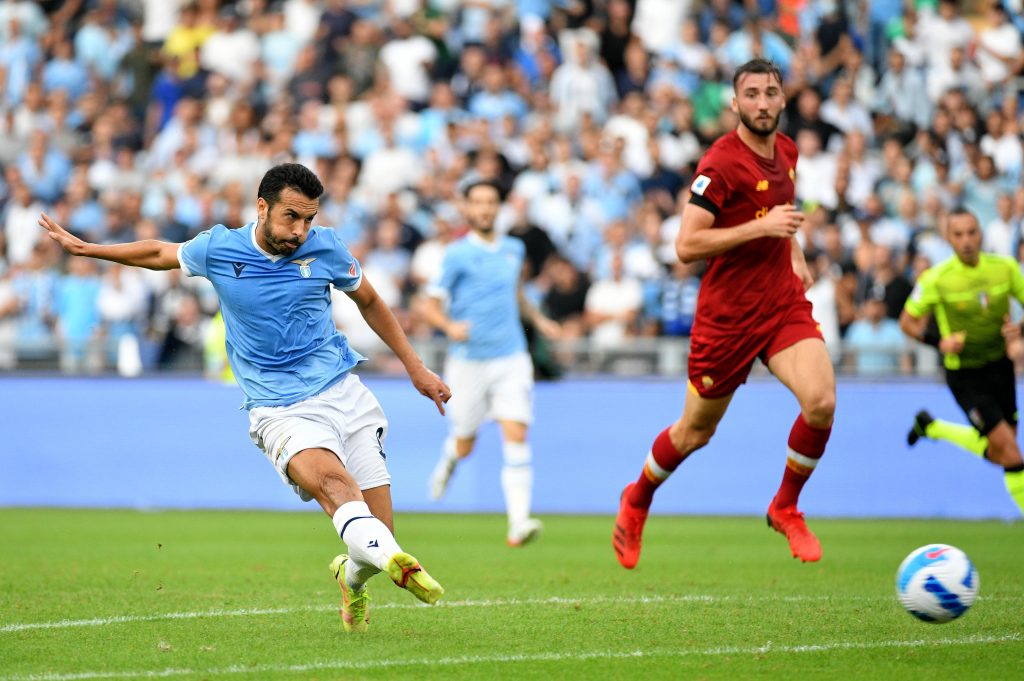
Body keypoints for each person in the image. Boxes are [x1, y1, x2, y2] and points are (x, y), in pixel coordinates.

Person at [38, 163, 451, 634]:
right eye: (291, 217)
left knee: (377, 538)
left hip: (344, 392)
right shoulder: (220, 248)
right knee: (335, 486)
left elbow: (371, 301)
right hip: (280, 408)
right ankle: (399, 565)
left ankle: (352, 577)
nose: (300, 231)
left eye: (309, 219)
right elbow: (158, 251)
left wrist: (416, 368)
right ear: (262, 207)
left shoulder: (327, 248)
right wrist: (88, 249)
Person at [613, 58, 836, 569]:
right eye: (751, 94)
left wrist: (794, 252)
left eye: (771, 93)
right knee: (695, 432)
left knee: (821, 402)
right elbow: (686, 245)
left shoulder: (787, 150)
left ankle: (785, 506)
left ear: (783, 99)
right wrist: (762, 228)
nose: (762, 103)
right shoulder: (720, 164)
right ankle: (638, 497)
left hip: (780, 303)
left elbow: (779, 215)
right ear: (735, 104)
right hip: (728, 318)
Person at [420, 178, 560, 547]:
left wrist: (539, 320)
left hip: (511, 357)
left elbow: (516, 294)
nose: (484, 208)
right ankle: (449, 461)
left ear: (499, 207)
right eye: (478, 202)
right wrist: (449, 326)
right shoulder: (456, 254)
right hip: (469, 363)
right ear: (467, 208)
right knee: (465, 444)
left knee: (516, 433)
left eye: (491, 201)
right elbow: (429, 305)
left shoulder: (514, 249)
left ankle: (518, 522)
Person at [899, 208, 1024, 516]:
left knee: (1000, 450)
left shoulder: (1005, 268)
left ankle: (933, 427)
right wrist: (939, 343)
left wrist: (1020, 329)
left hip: (1000, 366)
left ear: (981, 234)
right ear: (948, 238)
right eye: (958, 235)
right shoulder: (937, 278)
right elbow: (907, 321)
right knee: (1011, 454)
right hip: (965, 375)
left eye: (971, 233)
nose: (966, 241)